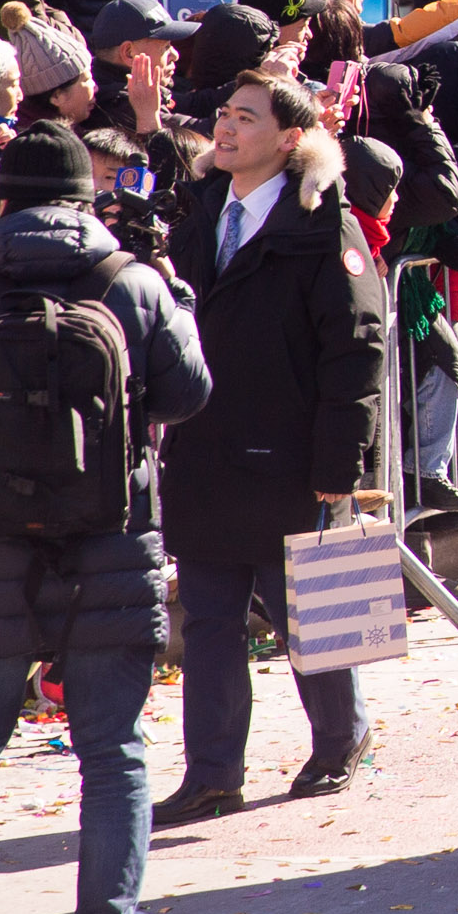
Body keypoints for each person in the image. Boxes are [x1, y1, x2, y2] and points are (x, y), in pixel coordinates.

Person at [0, 122, 212, 914]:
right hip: (111, 543)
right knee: (112, 752)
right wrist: (177, 300)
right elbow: (187, 393)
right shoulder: (131, 281)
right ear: (88, 198)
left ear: (3, 198)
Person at [156, 74, 389, 824]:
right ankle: (213, 773)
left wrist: (342, 460)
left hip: (291, 454)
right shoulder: (199, 212)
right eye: (223, 114)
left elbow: (356, 348)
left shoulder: (323, 225)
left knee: (312, 612)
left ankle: (341, 740)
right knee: (210, 621)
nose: (225, 128)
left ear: (290, 139)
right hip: (205, 448)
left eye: (246, 117)